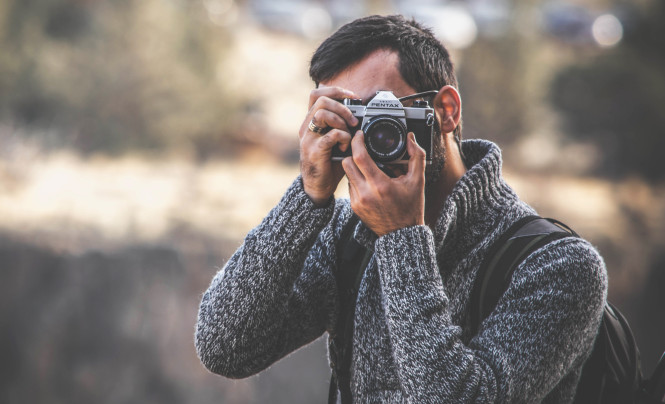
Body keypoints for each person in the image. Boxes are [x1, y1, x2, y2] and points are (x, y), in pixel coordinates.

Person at [195, 15, 608, 403]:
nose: (370, 137)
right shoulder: (345, 236)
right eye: (350, 118)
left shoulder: (558, 265)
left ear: (446, 111)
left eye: (385, 111)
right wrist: (306, 199)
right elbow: (225, 349)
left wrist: (401, 240)